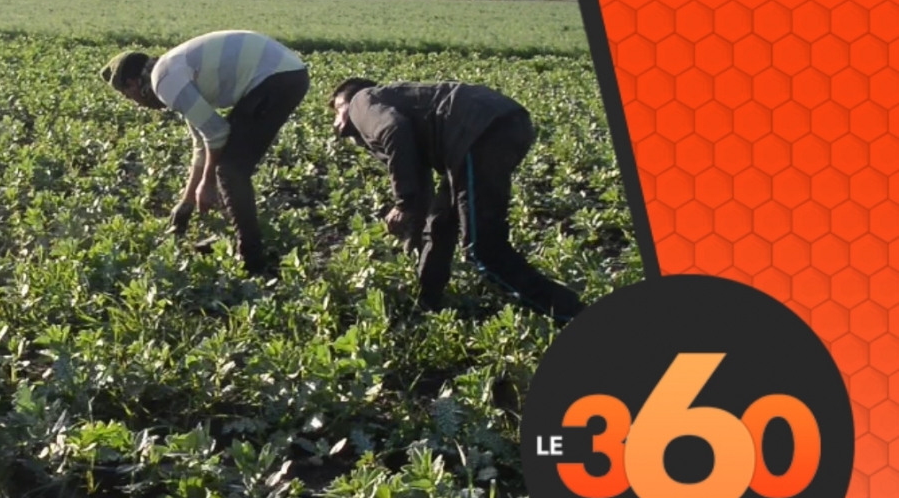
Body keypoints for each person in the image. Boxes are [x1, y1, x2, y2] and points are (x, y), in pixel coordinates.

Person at [329, 77, 585, 324]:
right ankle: (427, 300)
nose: (335, 123)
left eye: (336, 109)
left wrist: (403, 203)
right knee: (441, 222)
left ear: (348, 101)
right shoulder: (396, 111)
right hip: (497, 126)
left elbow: (393, 130)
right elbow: (423, 194)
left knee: (483, 250)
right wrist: (412, 236)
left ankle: (571, 313)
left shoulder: (362, 101)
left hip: (479, 130)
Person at [101, 30, 311, 276]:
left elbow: (217, 133)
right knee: (228, 164)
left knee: (230, 170)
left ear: (133, 83)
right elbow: (201, 144)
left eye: (129, 96)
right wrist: (186, 201)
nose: (136, 103)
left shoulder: (164, 81)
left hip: (277, 79)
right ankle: (237, 239)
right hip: (283, 74)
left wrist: (208, 182)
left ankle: (252, 260)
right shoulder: (170, 71)